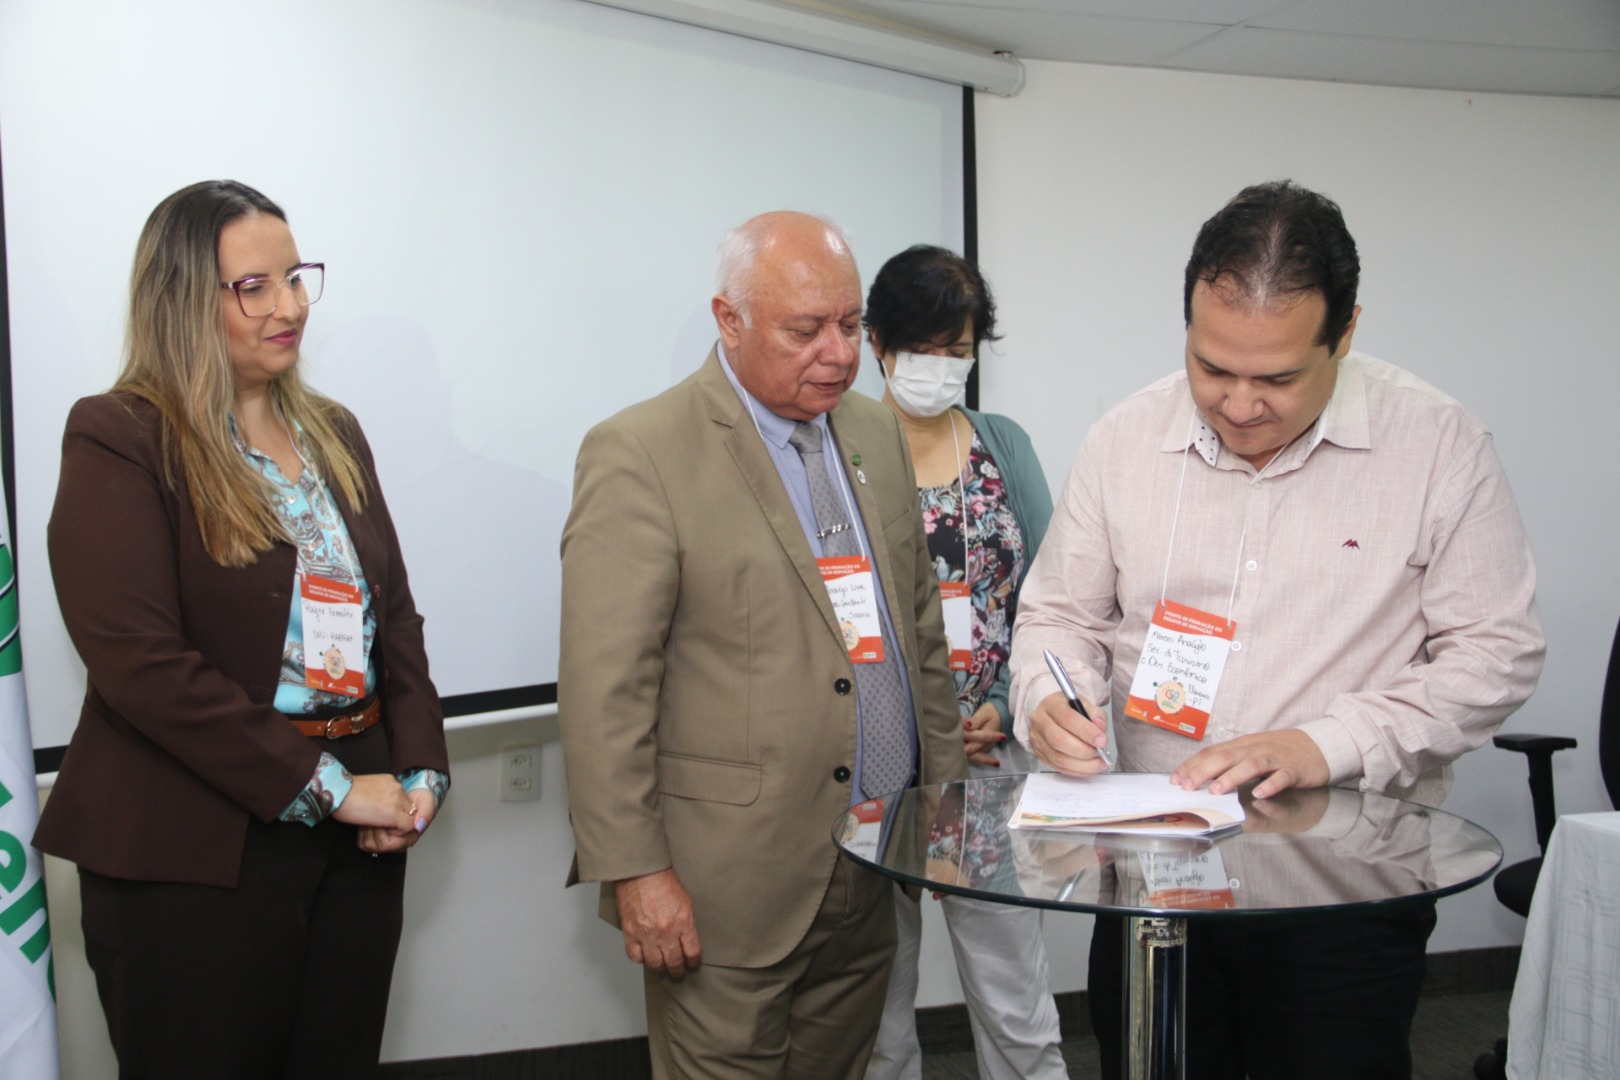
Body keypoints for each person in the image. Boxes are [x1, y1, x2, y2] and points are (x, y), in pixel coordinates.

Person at [1009, 180, 1544, 1079]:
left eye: (1278, 378)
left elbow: (1497, 652)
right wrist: (1046, 697)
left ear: (1346, 332)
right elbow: (1061, 614)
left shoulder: (1438, 445)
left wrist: (1323, 743)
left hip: (1345, 891)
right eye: (1212, 368)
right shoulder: (1124, 440)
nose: (1239, 403)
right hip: (1154, 879)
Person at [35, 180, 449, 1079]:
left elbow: (393, 620)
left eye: (295, 278)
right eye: (254, 288)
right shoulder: (121, 435)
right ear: (185, 299)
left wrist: (419, 772)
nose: (290, 306)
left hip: (358, 838)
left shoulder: (334, 431)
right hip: (194, 850)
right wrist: (329, 789)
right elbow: (141, 665)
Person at [558, 211, 966, 1079]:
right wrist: (637, 872)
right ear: (730, 320)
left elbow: (918, 632)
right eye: (805, 329)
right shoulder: (641, 453)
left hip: (873, 866)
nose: (838, 353)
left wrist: (945, 804)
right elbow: (605, 692)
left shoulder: (874, 433)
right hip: (725, 892)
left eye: (850, 324)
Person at [860, 245, 1066, 1080]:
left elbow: (1051, 595)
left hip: (990, 758)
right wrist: (924, 723)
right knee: (878, 1002)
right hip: (880, 762)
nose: (942, 367)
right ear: (877, 342)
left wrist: (1008, 700)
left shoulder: (1002, 445)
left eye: (958, 350)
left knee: (1015, 992)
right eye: (923, 349)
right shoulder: (838, 450)